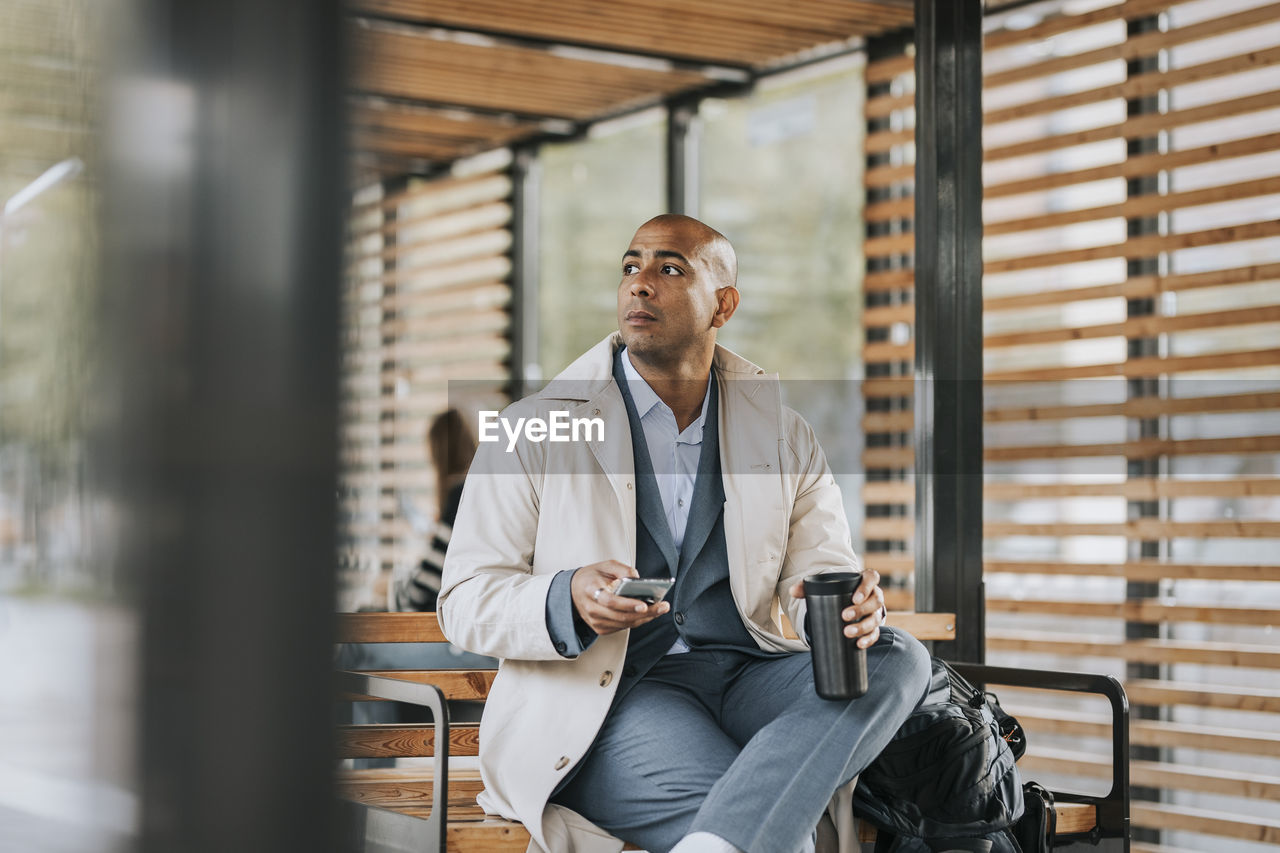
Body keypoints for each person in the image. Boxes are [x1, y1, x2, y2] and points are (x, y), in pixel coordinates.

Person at [439, 214, 932, 853]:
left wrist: (846, 612)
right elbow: (464, 601)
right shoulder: (534, 427)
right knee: (762, 825)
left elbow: (820, 569)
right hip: (616, 696)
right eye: (630, 266)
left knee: (896, 656)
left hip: (750, 677)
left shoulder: (784, 434)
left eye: (669, 269)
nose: (640, 284)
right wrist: (566, 597)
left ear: (722, 304)